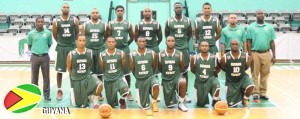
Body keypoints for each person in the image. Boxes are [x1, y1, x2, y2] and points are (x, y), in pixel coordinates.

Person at [165, 2, 192, 102]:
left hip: (184, 49)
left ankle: (185, 94)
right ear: (174, 9)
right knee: (172, 71)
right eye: (176, 7)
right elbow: (167, 34)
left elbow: (189, 34)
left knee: (184, 72)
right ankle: (173, 92)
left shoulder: (187, 20)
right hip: (173, 50)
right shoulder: (169, 21)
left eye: (179, 7)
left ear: (182, 9)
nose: (178, 8)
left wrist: (184, 43)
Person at [247, 9, 276, 102]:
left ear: (264, 15)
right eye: (258, 13)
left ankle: (263, 92)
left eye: (262, 13)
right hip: (255, 53)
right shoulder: (251, 27)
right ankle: (255, 92)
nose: (260, 15)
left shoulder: (269, 27)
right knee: (254, 74)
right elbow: (249, 42)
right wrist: (250, 54)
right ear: (256, 15)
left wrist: (274, 55)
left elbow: (272, 41)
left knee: (265, 73)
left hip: (266, 53)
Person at [66, 36, 103, 108]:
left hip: (87, 77)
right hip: (76, 80)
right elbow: (69, 69)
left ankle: (94, 100)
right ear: (76, 42)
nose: (82, 42)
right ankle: (83, 95)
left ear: (86, 42)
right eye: (80, 40)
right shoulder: (71, 54)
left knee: (100, 84)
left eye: (83, 41)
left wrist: (87, 74)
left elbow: (90, 65)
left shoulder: (90, 52)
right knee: (79, 104)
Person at [107, 5, 134, 101]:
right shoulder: (111, 23)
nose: (119, 12)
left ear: (123, 12)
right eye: (118, 10)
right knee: (113, 70)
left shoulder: (128, 23)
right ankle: (114, 90)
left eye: (121, 10)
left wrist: (126, 44)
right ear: (115, 12)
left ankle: (129, 90)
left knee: (126, 72)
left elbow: (132, 36)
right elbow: (109, 37)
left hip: (124, 49)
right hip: (113, 50)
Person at [52, 3, 79, 100]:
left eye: (67, 7)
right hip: (61, 48)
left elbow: (77, 33)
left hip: (72, 47)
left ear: (69, 9)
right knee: (59, 71)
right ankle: (59, 90)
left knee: (73, 70)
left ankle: (73, 89)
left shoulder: (75, 20)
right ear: (61, 9)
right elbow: (55, 35)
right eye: (64, 7)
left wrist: (72, 44)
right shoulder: (56, 21)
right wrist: (61, 43)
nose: (66, 8)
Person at [81, 8, 106, 100]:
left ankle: (99, 93)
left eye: (96, 13)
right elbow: (83, 38)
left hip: (100, 49)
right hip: (89, 50)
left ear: (99, 14)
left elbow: (106, 37)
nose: (95, 14)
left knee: (100, 73)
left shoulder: (103, 25)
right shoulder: (85, 25)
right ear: (90, 14)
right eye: (93, 13)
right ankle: (88, 92)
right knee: (88, 72)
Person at [220, 40, 254, 107]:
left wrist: (240, 72)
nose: (234, 46)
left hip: (242, 78)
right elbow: (222, 68)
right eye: (232, 44)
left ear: (239, 45)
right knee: (231, 105)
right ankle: (239, 93)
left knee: (251, 85)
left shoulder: (245, 56)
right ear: (230, 46)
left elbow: (246, 67)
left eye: (236, 44)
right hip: (230, 81)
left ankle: (245, 99)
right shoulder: (225, 57)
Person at [158, 36, 188, 112]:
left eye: (172, 41)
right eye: (169, 41)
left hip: (176, 77)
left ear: (175, 42)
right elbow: (160, 68)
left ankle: (181, 102)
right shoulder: (160, 54)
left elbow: (181, 68)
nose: (170, 42)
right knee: (169, 106)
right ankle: (171, 97)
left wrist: (176, 75)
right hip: (166, 80)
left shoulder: (180, 54)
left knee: (183, 81)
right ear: (166, 42)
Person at [129, 37, 159, 112]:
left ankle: (154, 102)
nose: (142, 43)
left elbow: (154, 66)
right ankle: (144, 98)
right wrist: (138, 77)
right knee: (143, 107)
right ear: (136, 42)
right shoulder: (132, 54)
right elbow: (132, 69)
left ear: (146, 43)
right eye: (140, 41)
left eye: (143, 41)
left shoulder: (152, 53)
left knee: (156, 84)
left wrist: (149, 75)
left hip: (150, 77)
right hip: (140, 80)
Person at [99, 37, 129, 109]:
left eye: (113, 42)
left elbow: (123, 66)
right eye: (109, 42)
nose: (111, 43)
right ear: (106, 43)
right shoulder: (102, 54)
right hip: (108, 79)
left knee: (125, 88)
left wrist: (117, 73)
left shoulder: (121, 53)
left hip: (119, 77)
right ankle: (112, 100)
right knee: (111, 104)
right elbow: (102, 68)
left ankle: (122, 100)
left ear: (115, 43)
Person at [27, 17, 52, 101]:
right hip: (34, 57)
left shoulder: (48, 33)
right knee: (34, 77)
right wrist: (36, 51)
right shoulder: (31, 33)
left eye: (42, 22)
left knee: (46, 77)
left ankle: (47, 94)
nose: (40, 23)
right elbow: (29, 45)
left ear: (43, 23)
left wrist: (43, 50)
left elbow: (49, 44)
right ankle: (34, 94)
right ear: (36, 23)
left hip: (45, 57)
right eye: (39, 22)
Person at [190, 41, 221, 107]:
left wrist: (215, 73)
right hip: (199, 82)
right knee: (200, 104)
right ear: (199, 47)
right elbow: (192, 70)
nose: (204, 47)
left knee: (216, 84)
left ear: (209, 47)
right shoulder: (194, 58)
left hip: (210, 79)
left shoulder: (214, 57)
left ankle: (215, 100)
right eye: (203, 46)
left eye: (206, 46)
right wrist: (199, 75)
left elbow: (219, 68)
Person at [135, 7, 162, 76]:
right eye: (146, 11)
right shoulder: (139, 24)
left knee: (155, 70)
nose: (147, 13)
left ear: (151, 13)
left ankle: (155, 84)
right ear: (143, 13)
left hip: (154, 48)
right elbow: (136, 39)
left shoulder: (157, 23)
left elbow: (160, 37)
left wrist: (155, 45)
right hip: (143, 49)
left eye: (149, 11)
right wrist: (142, 47)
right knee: (144, 69)